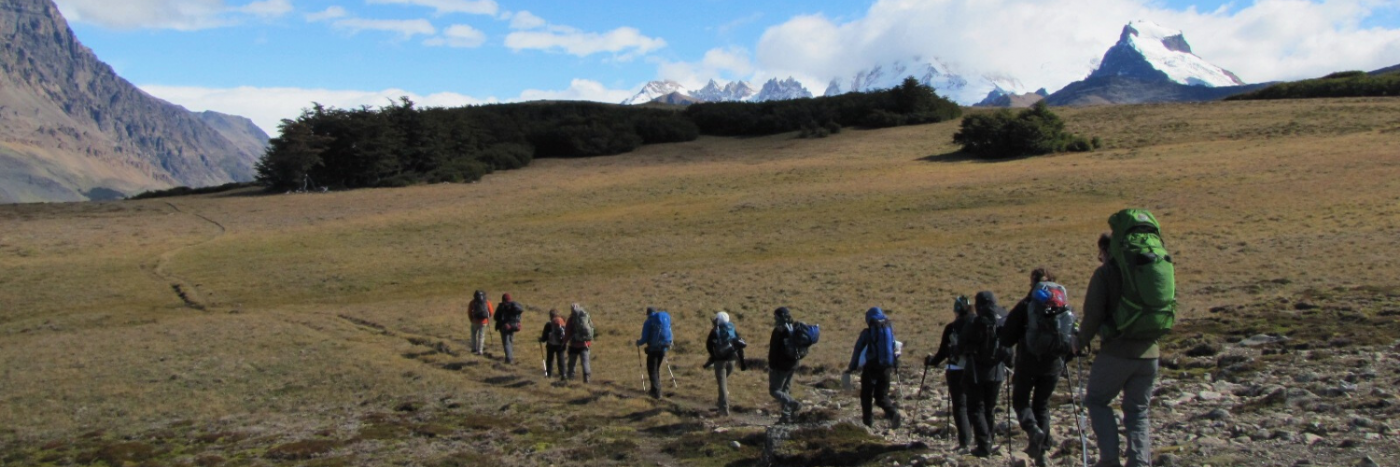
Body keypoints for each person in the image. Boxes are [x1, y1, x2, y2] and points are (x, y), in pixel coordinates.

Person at [1076, 232, 1161, 467]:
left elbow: (1093, 316)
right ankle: (1139, 462)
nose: (1099, 258)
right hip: (1150, 352)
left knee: (1097, 400)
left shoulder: (1105, 274)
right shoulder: (1146, 270)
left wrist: (1079, 342)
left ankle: (1109, 460)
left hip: (1117, 352)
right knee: (1138, 411)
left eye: (1100, 253)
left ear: (1106, 251)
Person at [999, 268, 1074, 467]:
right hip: (1053, 364)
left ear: (1033, 283)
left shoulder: (1027, 304)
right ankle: (1042, 453)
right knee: (1042, 404)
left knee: (1021, 401)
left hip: (1028, 362)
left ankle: (1033, 431)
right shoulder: (1061, 304)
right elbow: (1071, 337)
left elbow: (1007, 337)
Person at [960, 291, 1010, 458]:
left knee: (976, 408)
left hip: (976, 372)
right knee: (989, 408)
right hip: (997, 372)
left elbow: (961, 345)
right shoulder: (1002, 320)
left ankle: (984, 444)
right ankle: (990, 439)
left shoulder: (974, 322)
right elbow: (1009, 347)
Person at [924, 295, 974, 452]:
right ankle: (982, 439)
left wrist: (931, 361)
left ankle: (965, 440)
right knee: (975, 404)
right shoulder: (977, 325)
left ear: (957, 310)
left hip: (955, 371)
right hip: (976, 369)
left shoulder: (951, 327)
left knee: (960, 406)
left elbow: (942, 353)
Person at [846, 307, 902, 429]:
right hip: (887, 366)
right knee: (881, 395)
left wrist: (852, 367)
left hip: (871, 366)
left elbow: (858, 349)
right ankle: (893, 413)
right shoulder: (888, 329)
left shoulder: (867, 332)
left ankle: (867, 421)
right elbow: (894, 347)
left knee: (866, 394)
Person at [703, 311, 747, 415]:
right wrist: (742, 362)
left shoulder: (715, 331)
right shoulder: (732, 329)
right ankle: (720, 404)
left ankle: (723, 408)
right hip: (732, 360)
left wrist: (713, 357)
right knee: (723, 383)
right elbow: (739, 345)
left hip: (720, 362)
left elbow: (709, 346)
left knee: (722, 385)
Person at [767, 306, 802, 423]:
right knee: (785, 390)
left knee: (774, 390)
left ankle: (793, 403)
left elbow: (773, 350)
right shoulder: (794, 328)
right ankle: (786, 417)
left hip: (781, 366)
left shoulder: (778, 331)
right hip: (793, 364)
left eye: (775, 317)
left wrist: (771, 366)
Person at [635, 307, 672, 399]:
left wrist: (638, 342)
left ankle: (656, 392)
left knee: (652, 370)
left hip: (653, 349)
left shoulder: (649, 322)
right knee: (656, 369)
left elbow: (645, 338)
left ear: (648, 314)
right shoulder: (662, 320)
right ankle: (654, 389)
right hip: (663, 348)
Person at [563, 303, 593, 383]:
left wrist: (564, 342)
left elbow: (567, 332)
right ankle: (586, 376)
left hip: (574, 344)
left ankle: (570, 377)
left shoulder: (571, 319)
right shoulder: (585, 316)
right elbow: (591, 328)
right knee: (585, 362)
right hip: (585, 344)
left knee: (572, 362)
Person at [495, 293, 524, 364]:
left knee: (506, 343)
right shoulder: (515, 306)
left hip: (505, 327)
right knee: (510, 341)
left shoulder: (502, 307)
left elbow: (496, 317)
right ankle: (510, 356)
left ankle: (509, 359)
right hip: (513, 326)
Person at [539, 309, 567, 378]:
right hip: (560, 344)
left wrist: (541, 339)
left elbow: (544, 337)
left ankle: (549, 374)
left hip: (551, 344)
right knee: (561, 359)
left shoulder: (548, 324)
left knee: (550, 360)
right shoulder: (563, 323)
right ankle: (563, 374)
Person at [467, 290, 494, 355]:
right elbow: (491, 312)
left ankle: (474, 348)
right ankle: (480, 350)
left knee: (473, 335)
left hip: (474, 321)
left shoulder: (472, 302)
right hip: (484, 321)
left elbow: (469, 312)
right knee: (481, 336)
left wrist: (472, 319)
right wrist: (487, 318)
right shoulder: (487, 302)